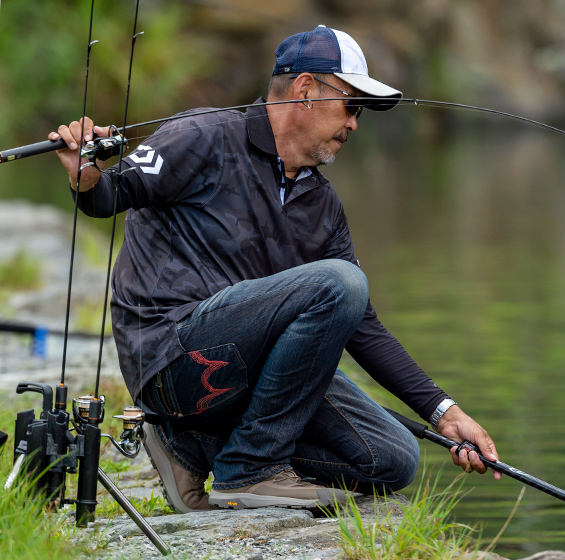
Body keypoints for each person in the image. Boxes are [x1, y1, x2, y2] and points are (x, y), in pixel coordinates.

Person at [49, 25, 500, 511]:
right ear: (306, 90)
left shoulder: (323, 207)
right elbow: (111, 195)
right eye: (352, 106)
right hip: (171, 362)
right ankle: (250, 471)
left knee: (392, 459)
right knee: (340, 282)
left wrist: (444, 413)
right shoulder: (200, 135)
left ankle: (194, 447)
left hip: (243, 376)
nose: (354, 124)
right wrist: (86, 172)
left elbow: (362, 326)